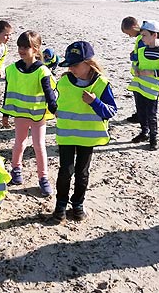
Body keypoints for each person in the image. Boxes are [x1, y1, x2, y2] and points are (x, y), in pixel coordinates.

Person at [52, 41, 117, 221]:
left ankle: (78, 204)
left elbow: (111, 111)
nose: (71, 68)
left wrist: (95, 102)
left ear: (88, 63)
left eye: (75, 64)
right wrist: (53, 109)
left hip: (87, 137)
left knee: (82, 173)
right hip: (66, 134)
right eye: (69, 65)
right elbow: (55, 101)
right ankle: (60, 204)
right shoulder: (64, 81)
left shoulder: (102, 83)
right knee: (65, 171)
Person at [0, 30, 57, 196]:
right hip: (20, 114)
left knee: (39, 146)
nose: (21, 50)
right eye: (19, 46)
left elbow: (49, 95)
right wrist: (5, 114)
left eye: (26, 47)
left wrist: (55, 110)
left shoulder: (42, 71)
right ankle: (16, 171)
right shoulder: (12, 69)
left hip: (38, 115)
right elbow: (8, 92)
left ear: (36, 49)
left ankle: (43, 178)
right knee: (19, 143)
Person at [127, 20, 159, 151]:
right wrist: (135, 69)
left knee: (151, 115)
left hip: (152, 90)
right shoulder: (142, 50)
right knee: (141, 112)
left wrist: (151, 72)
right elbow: (136, 64)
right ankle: (144, 133)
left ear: (155, 35)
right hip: (138, 86)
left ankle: (153, 138)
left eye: (144, 35)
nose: (141, 38)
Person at [121, 16, 144, 123]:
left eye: (128, 33)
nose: (129, 36)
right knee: (137, 92)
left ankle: (141, 115)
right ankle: (140, 113)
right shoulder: (142, 36)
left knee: (140, 94)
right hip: (140, 70)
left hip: (142, 71)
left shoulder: (142, 38)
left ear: (134, 27)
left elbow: (142, 55)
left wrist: (133, 56)